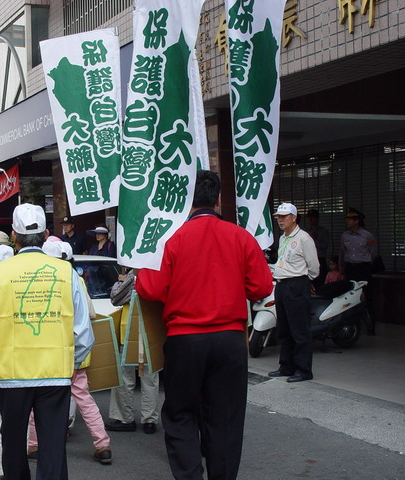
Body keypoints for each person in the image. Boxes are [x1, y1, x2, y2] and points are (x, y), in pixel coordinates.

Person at [135, 170, 273, 480]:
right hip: (230, 340)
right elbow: (262, 286)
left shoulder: (171, 238)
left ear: (185, 199)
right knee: (225, 419)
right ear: (218, 200)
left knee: (181, 415)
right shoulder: (240, 236)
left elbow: (150, 289)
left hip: (185, 340)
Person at [0, 203, 94, 480]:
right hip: (55, 374)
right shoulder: (66, 273)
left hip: (11, 374)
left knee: (13, 444)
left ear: (14, 236)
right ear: (46, 234)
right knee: (53, 445)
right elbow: (83, 332)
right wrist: (71, 362)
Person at [28, 241, 112, 465]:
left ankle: (34, 444)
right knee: (84, 398)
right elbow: (90, 315)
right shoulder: (76, 279)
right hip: (74, 351)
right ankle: (102, 444)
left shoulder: (37, 279)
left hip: (46, 351)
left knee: (38, 397)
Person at [269, 202, 319, 383]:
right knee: (284, 329)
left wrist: (304, 280)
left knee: (299, 329)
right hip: (282, 285)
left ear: (294, 218)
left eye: (284, 216)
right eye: (278, 217)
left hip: (296, 284)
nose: (280, 220)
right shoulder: (283, 238)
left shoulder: (304, 238)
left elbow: (314, 267)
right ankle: (286, 366)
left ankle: (303, 370)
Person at [105, 270, 160, 435]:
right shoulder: (157, 271)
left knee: (124, 378)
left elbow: (116, 298)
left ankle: (125, 418)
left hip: (129, 330)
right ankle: (150, 420)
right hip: (151, 329)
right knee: (150, 379)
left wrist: (121, 281)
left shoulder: (132, 275)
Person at [339, 208, 378, 335]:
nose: (348, 221)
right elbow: (342, 252)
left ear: (357, 221)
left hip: (363, 268)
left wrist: (366, 263)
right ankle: (352, 325)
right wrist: (341, 265)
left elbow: (373, 253)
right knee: (348, 296)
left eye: (350, 219)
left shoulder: (367, 235)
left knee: (367, 297)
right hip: (350, 268)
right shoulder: (345, 235)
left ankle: (370, 326)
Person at [305, 209, 330, 287]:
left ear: (317, 218)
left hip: (320, 258)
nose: (310, 220)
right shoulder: (306, 232)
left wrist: (315, 240)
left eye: (312, 217)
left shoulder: (323, 231)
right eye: (309, 218)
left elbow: (325, 246)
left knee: (321, 282)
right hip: (308, 260)